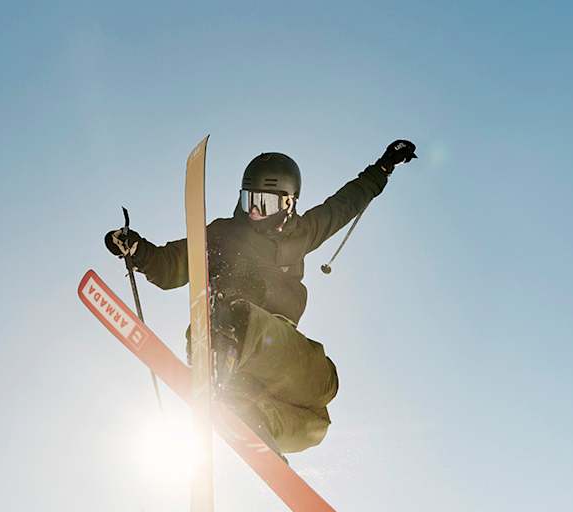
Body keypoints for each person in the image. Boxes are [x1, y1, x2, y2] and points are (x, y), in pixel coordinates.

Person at [106, 140, 417, 453]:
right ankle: (220, 355)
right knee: (243, 322)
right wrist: (139, 251)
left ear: (288, 204)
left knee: (321, 404)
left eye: (263, 203)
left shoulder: (303, 232)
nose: (253, 211)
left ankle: (255, 420)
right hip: (227, 330)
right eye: (247, 199)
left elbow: (345, 203)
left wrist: (384, 166)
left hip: (277, 349)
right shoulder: (223, 234)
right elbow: (172, 264)